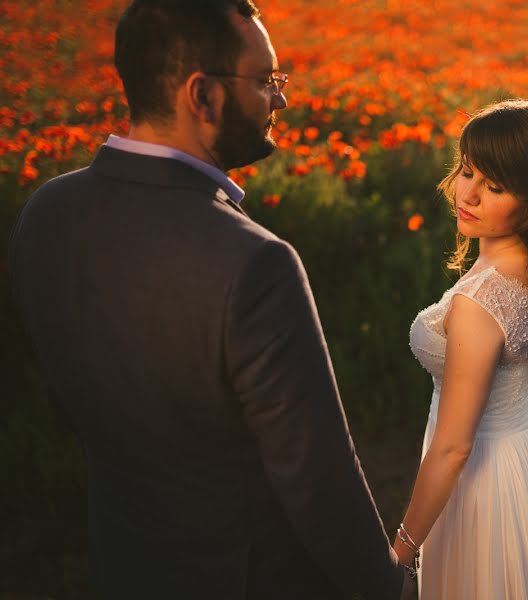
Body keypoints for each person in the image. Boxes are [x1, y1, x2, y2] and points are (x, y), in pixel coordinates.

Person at [8, 1, 408, 598]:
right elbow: (317, 478)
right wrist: (389, 587)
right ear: (203, 96)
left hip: (121, 564)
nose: (281, 99)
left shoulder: (46, 214)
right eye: (266, 81)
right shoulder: (255, 264)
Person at [396, 99, 528, 598]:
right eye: (467, 171)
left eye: (494, 187)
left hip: (487, 487)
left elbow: (452, 447)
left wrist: (402, 551)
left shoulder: (480, 303)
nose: (468, 194)